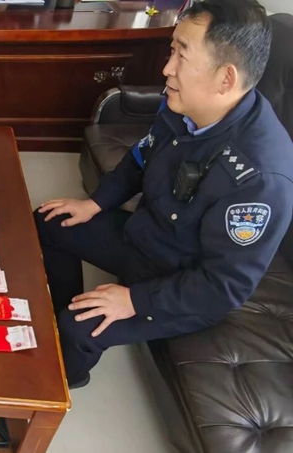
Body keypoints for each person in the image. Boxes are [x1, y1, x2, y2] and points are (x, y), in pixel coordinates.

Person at [35, 0, 293, 389]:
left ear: (226, 79)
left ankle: (62, 381)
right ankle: (60, 313)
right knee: (50, 220)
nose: (167, 68)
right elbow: (140, 159)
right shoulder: (183, 105)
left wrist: (135, 301)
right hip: (147, 239)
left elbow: (222, 287)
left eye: (181, 56)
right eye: (172, 50)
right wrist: (94, 203)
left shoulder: (259, 178)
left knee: (78, 328)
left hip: (186, 285)